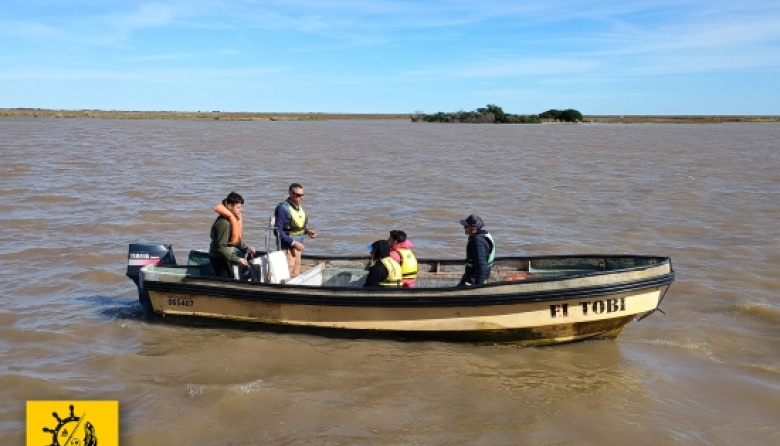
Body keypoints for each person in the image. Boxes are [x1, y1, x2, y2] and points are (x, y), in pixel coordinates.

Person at [274, 183, 317, 278]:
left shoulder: (299, 208)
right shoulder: (283, 209)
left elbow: (295, 227)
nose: (301, 198)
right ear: (291, 194)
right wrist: (293, 243)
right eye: (298, 195)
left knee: (295, 275)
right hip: (287, 249)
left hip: (298, 248)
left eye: (302, 195)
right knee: (286, 276)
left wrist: (307, 231)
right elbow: (277, 231)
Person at [209, 191, 255, 279]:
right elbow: (221, 247)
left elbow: (234, 239)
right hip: (219, 258)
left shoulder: (231, 219)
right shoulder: (224, 223)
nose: (241, 210)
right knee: (226, 280)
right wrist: (237, 259)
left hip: (227, 256)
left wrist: (246, 249)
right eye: (238, 207)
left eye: (241, 207)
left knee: (231, 277)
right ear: (230, 206)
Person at [458, 214, 496, 286]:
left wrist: (479, 285)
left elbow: (481, 264)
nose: (464, 228)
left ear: (474, 229)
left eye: (466, 226)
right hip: (470, 276)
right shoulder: (479, 237)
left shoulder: (477, 241)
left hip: (474, 279)